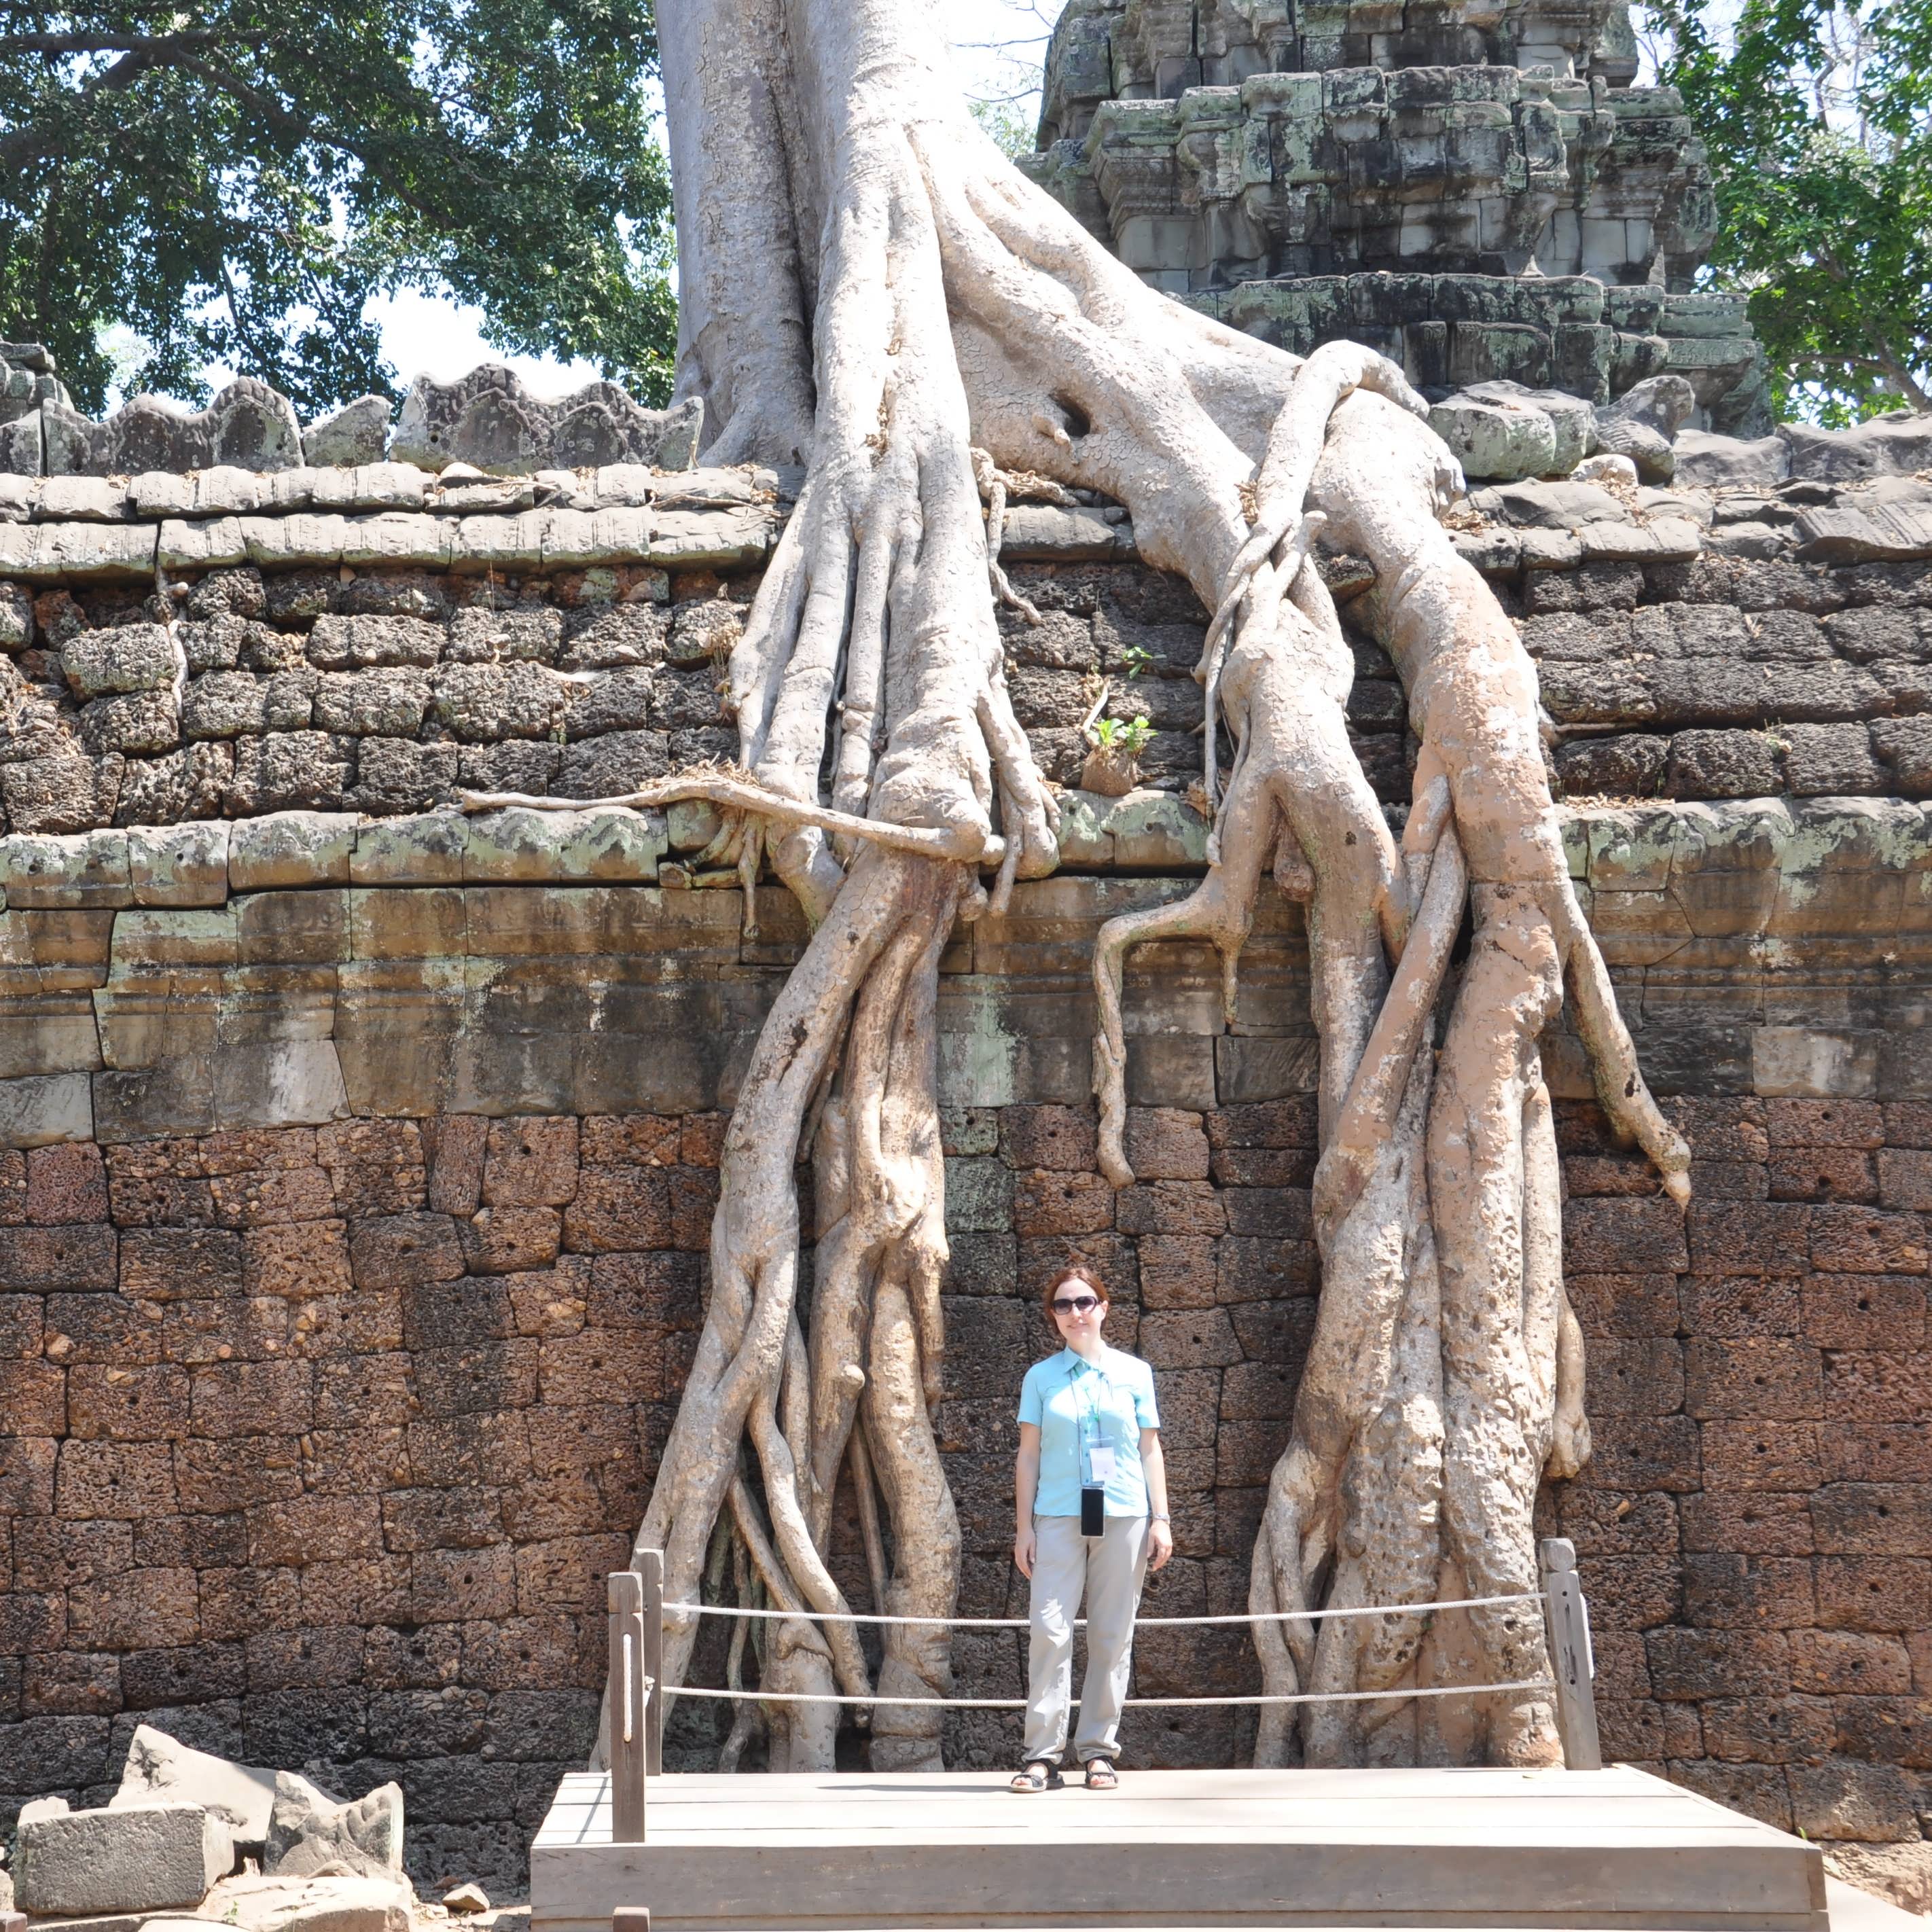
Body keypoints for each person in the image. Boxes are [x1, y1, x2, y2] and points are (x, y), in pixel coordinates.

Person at [1009, 1263, 1173, 1792]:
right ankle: (1042, 1755)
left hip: (1123, 1512)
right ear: (1053, 1317)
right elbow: (1028, 1456)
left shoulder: (1135, 1373)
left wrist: (1161, 1518)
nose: (1074, 1312)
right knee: (1049, 1632)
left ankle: (1098, 1751)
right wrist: (1023, 1528)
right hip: (1057, 1515)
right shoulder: (1041, 1377)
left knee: (1111, 1634)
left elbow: (1150, 1449)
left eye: (1084, 1302)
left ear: (1103, 1307)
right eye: (1063, 1305)